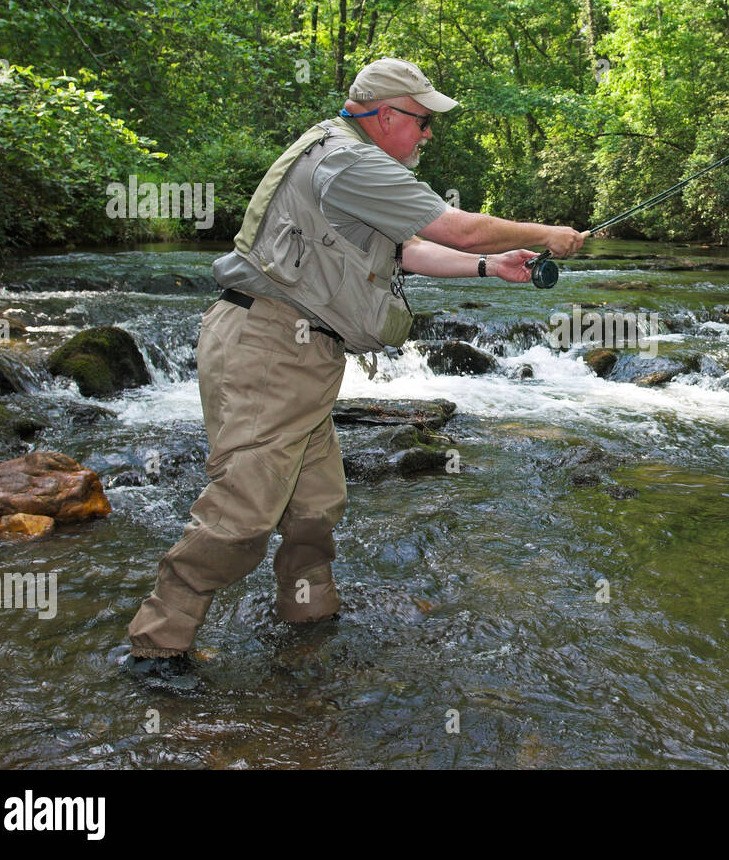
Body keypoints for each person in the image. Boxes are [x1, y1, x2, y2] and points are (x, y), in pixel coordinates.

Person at [125, 58, 583, 673]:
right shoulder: (352, 160)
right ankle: (158, 646)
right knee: (243, 510)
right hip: (269, 347)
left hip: (300, 349)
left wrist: (493, 267)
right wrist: (544, 232)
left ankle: (308, 616)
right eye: (422, 121)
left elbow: (413, 248)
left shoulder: (346, 156)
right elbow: (457, 229)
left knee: (314, 503)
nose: (427, 135)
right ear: (386, 115)